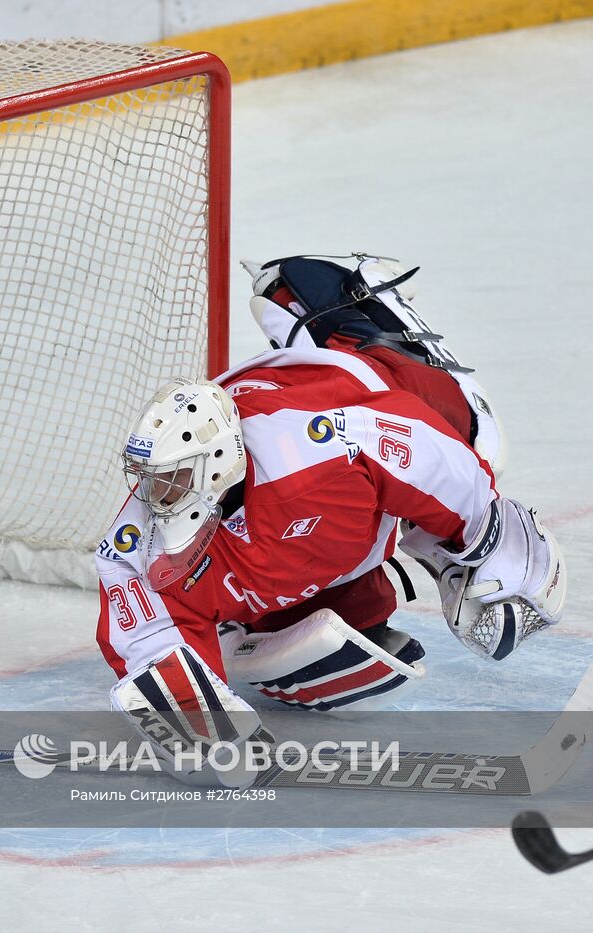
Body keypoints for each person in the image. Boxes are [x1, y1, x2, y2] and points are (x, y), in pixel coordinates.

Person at [96, 253, 566, 787]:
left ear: (215, 470)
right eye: (151, 476)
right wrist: (202, 722)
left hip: (354, 384)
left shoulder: (323, 446)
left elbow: (424, 449)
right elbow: (141, 626)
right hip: (294, 482)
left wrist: (480, 543)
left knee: (477, 436)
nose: (156, 495)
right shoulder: (141, 536)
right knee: (309, 648)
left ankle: (342, 319)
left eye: (173, 479)